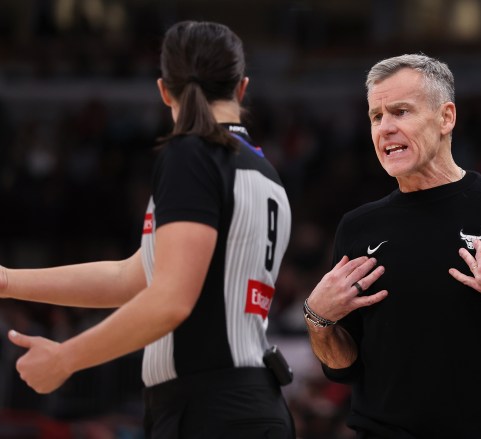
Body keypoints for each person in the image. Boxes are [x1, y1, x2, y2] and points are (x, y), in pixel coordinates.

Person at [1, 21, 295, 438]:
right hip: (248, 403)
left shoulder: (192, 154)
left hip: (207, 409)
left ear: (163, 90)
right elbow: (135, 277)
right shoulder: (264, 172)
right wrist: (9, 280)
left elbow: (171, 299)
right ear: (241, 87)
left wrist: (66, 358)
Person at [304, 53, 481, 439]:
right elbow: (344, 366)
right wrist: (319, 321)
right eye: (376, 116)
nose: (384, 128)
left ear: (446, 118)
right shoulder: (357, 227)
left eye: (400, 111)